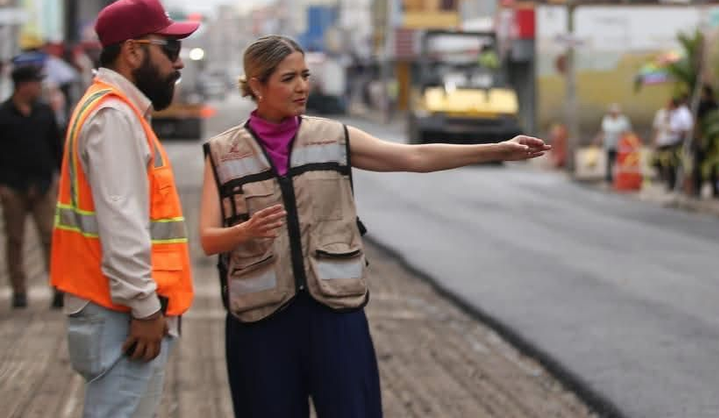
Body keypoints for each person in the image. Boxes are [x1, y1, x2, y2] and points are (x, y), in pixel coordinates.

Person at [199, 35, 549, 418]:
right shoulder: (223, 153)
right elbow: (208, 238)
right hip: (261, 321)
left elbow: (414, 157)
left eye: (305, 75)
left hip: (334, 312)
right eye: (288, 78)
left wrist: (496, 149)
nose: (302, 86)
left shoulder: (333, 137)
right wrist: (243, 232)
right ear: (256, 85)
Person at [49, 0, 199, 418]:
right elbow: (122, 223)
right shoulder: (113, 116)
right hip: (121, 313)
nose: (179, 62)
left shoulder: (115, 111)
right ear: (133, 51)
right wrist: (145, 307)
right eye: (170, 50)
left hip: (110, 307)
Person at [0, 64, 64, 309]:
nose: (39, 87)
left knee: (50, 237)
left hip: (43, 185)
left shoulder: (45, 113)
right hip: (12, 187)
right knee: (15, 240)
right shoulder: (3, 114)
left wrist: (59, 177)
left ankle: (57, 287)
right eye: (35, 83)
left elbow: (56, 148)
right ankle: (19, 291)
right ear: (22, 86)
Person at [690, 85, 719, 199]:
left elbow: (697, 123)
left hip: (710, 139)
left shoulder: (714, 105)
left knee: (710, 165)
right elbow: (697, 122)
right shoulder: (705, 105)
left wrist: (698, 137)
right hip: (705, 139)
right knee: (700, 164)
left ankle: (711, 189)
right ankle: (699, 188)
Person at [594, 104, 632, 184]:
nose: (613, 114)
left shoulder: (623, 120)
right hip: (609, 144)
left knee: (618, 161)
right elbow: (603, 131)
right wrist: (598, 140)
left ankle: (619, 177)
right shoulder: (606, 119)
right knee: (609, 161)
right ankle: (609, 178)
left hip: (620, 145)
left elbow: (627, 133)